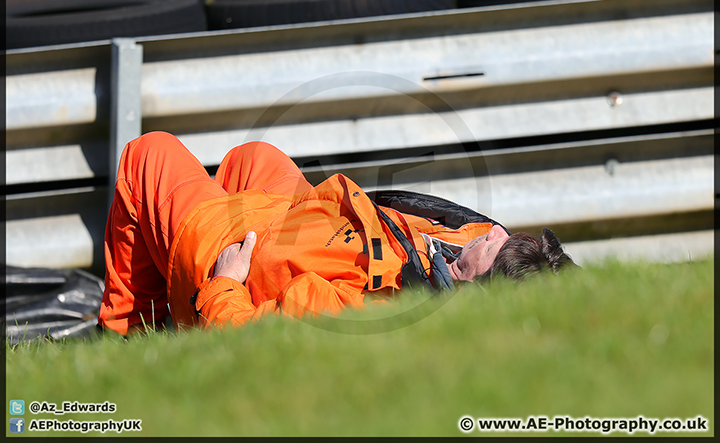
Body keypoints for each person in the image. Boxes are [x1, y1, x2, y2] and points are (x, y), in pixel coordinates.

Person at [99, 131, 575, 335]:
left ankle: (124, 338)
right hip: (295, 215)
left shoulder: (369, 312)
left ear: (472, 289)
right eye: (509, 238)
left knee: (147, 154)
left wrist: (224, 284)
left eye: (497, 249)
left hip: (235, 262)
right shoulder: (469, 246)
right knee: (252, 156)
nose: (495, 234)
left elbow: (248, 340)